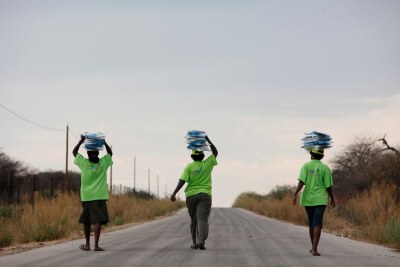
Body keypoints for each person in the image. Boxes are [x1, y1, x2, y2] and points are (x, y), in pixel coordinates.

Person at [171, 136, 218, 250]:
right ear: (202, 155)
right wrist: (208, 140)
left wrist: (174, 193)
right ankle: (201, 241)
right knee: (202, 219)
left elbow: (182, 180)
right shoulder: (208, 163)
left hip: (191, 196)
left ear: (192, 156)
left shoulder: (189, 166)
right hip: (204, 195)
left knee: (194, 220)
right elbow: (215, 152)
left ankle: (194, 242)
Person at [72, 134, 113, 251]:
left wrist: (81, 142)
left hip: (87, 197)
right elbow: (110, 154)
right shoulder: (103, 164)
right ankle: (95, 245)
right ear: (98, 154)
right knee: (98, 220)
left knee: (87, 220)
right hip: (100, 196)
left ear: (88, 155)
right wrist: (104, 143)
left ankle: (87, 245)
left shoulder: (84, 163)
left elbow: (74, 153)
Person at [292, 148, 335, 256]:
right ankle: (314, 248)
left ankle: (313, 248)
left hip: (308, 198)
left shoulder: (305, 166)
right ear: (322, 157)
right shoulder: (325, 168)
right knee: (317, 223)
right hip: (320, 198)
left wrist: (295, 194)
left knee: (312, 223)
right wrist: (332, 198)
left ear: (311, 155)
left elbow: (301, 181)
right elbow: (328, 186)